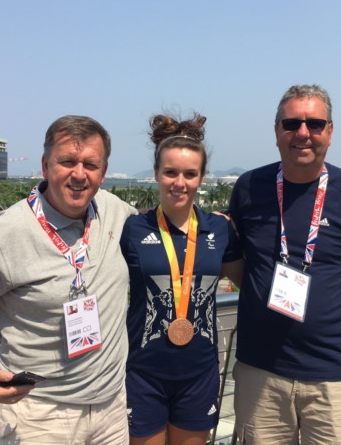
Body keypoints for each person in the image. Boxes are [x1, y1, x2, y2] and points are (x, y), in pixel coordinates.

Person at [0, 115, 138, 444]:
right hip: (39, 414)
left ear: (104, 171)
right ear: (45, 165)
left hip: (111, 407)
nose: (79, 174)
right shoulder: (8, 232)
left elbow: (161, 227)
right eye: (67, 161)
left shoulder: (114, 210)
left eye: (91, 164)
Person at [228, 84, 341, 444]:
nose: (302, 133)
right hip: (260, 371)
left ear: (330, 132)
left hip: (333, 376)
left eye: (315, 124)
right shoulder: (248, 188)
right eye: (291, 124)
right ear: (276, 131)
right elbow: (237, 263)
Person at [120, 113, 243, 445]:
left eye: (190, 174)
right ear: (157, 174)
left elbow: (248, 279)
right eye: (171, 172)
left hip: (199, 372)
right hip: (143, 372)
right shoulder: (133, 229)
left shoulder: (218, 229)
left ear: (202, 177)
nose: (180, 182)